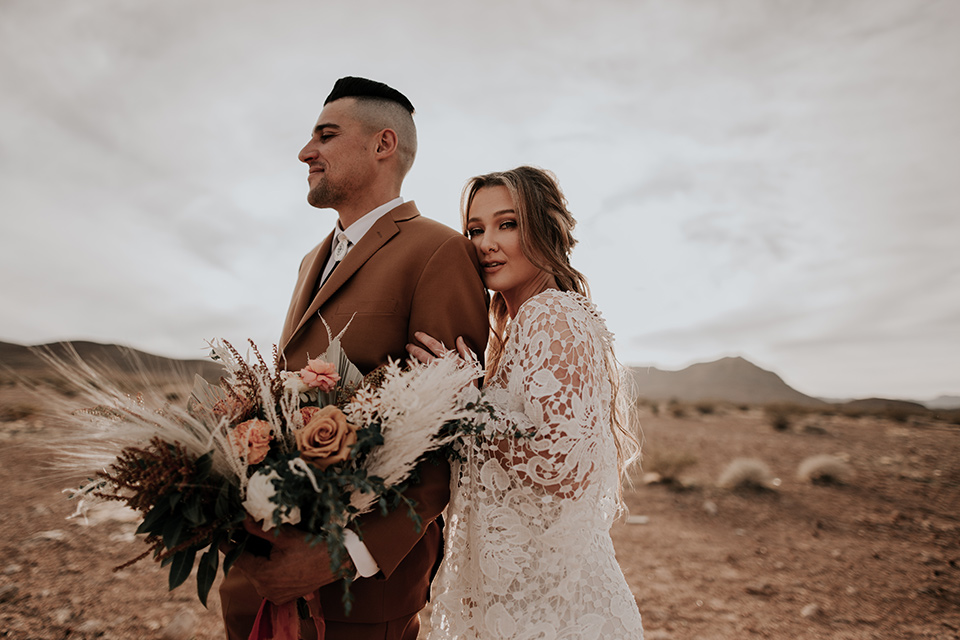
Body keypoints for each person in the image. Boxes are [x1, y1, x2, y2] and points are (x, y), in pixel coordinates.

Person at [218, 77, 489, 640]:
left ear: (383, 144)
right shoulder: (308, 261)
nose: (305, 151)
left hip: (356, 591)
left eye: (326, 134)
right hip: (260, 569)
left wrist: (346, 554)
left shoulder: (438, 251)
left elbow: (451, 435)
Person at [407, 166, 644, 639]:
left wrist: (463, 404)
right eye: (475, 230)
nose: (485, 243)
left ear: (545, 229)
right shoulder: (517, 333)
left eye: (507, 224)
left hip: (553, 613)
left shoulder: (549, 314)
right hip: (519, 604)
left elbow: (561, 461)